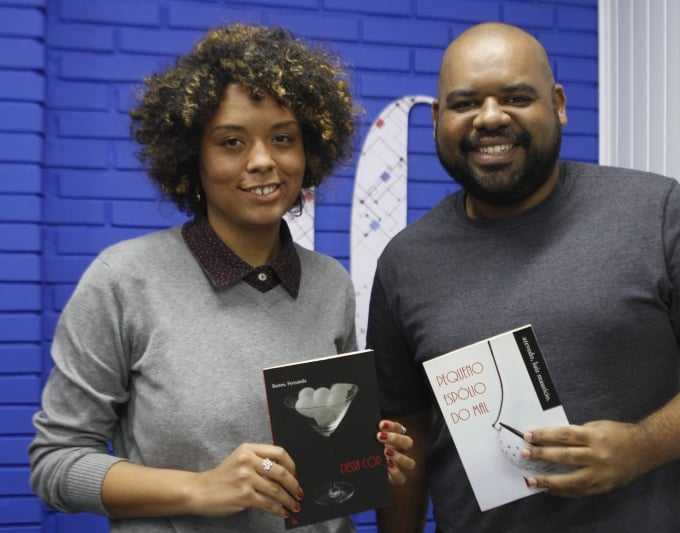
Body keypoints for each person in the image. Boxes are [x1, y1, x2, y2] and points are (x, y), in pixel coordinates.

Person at [368, 21, 680, 533]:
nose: (490, 117)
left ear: (558, 104)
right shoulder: (405, 263)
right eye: (465, 103)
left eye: (517, 96)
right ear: (437, 120)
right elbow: (404, 427)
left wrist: (641, 446)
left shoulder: (657, 213)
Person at [28, 23, 414, 533]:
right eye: (231, 141)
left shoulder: (329, 284)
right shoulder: (123, 280)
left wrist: (367, 453)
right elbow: (55, 463)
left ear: (308, 153)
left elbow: (325, 451)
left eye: (283, 139)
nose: (262, 161)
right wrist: (200, 488)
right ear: (194, 158)